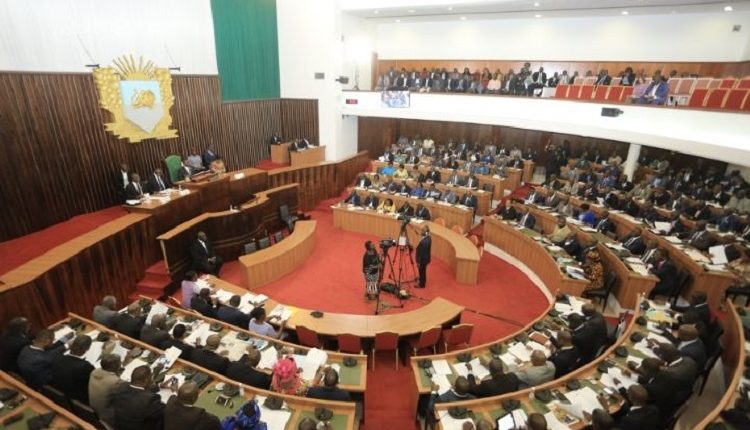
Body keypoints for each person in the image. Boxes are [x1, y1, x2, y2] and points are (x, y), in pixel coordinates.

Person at [111, 365, 165, 430]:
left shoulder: (121, 387)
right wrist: (174, 393)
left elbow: (139, 390)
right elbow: (165, 411)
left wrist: (156, 383)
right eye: (150, 378)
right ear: (146, 380)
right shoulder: (150, 399)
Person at [51, 335, 94, 403]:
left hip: (54, 392)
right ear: (87, 348)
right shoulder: (86, 367)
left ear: (71, 345)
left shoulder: (57, 357)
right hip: (72, 399)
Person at [89, 354, 123, 429]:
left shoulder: (95, 371)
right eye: (120, 363)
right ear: (115, 366)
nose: (121, 364)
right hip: (107, 416)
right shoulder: (115, 381)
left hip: (93, 408)